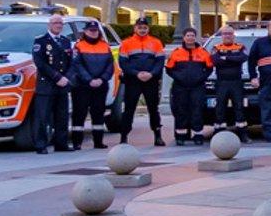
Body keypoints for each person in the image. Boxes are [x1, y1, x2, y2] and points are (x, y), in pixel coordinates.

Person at [117, 18, 166, 147]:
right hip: (133, 81)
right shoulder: (126, 43)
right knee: (129, 109)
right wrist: (136, 73)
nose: (142, 30)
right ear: (135, 28)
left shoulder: (156, 42)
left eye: (144, 27)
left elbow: (160, 62)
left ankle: (158, 136)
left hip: (151, 80)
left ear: (148, 29)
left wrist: (151, 74)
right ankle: (123, 137)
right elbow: (123, 63)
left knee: (153, 109)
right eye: (140, 27)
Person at [29, 14, 73, 154]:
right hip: (47, 84)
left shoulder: (65, 41)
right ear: (49, 25)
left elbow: (70, 62)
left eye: (60, 23)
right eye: (55, 23)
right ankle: (41, 145)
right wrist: (57, 77)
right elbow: (40, 63)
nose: (58, 25)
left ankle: (61, 144)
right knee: (43, 116)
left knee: (62, 116)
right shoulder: (40, 41)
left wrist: (66, 78)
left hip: (62, 85)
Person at [68, 20, 115, 150]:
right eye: (90, 30)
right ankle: (77, 142)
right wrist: (89, 80)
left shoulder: (105, 46)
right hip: (81, 86)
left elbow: (110, 65)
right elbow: (77, 65)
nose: (93, 33)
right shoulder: (79, 46)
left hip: (100, 85)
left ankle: (98, 141)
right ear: (85, 31)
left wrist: (102, 79)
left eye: (95, 30)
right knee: (79, 114)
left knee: (98, 113)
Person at [164, 28, 214, 145]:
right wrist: (179, 77)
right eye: (188, 35)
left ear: (195, 37)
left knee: (197, 110)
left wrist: (201, 78)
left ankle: (198, 135)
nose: (190, 38)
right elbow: (169, 69)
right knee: (181, 111)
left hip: (198, 87)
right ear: (184, 37)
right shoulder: (176, 52)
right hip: (180, 87)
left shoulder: (203, 52)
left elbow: (209, 68)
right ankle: (181, 136)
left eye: (192, 35)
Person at [211, 26, 249, 142]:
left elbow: (242, 58)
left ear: (233, 35)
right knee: (220, 108)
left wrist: (225, 58)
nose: (227, 36)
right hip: (221, 82)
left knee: (239, 107)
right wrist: (232, 58)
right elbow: (215, 60)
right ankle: (218, 134)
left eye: (230, 33)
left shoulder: (241, 47)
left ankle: (242, 134)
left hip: (236, 82)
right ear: (221, 36)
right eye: (225, 33)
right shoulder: (215, 47)